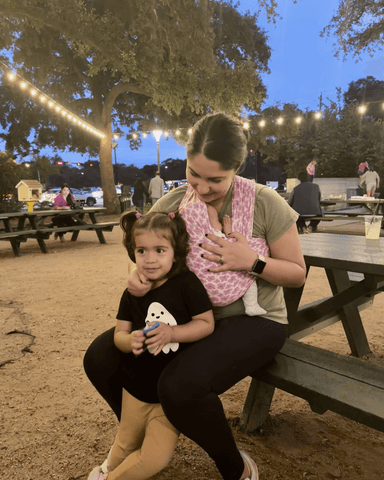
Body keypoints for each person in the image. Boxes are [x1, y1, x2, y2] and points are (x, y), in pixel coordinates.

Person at [84, 112, 306, 480]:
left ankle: (236, 468)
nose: (202, 188)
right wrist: (135, 278)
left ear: (238, 165)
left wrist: (251, 261)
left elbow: (297, 274)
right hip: (188, 319)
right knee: (101, 356)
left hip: (254, 320)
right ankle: (141, 433)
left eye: (215, 179)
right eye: (194, 173)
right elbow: (141, 253)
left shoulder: (265, 202)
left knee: (179, 389)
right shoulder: (172, 204)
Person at [87, 210, 214, 480]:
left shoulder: (186, 284)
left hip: (170, 395)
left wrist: (174, 333)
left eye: (159, 249)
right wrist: (128, 340)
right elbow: (119, 335)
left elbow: (206, 323)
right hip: (135, 389)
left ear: (175, 251)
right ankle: (107, 471)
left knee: (155, 458)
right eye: (142, 251)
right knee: (123, 445)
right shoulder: (132, 292)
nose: (150, 259)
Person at [206, 208, 267, 316]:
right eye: (216, 221)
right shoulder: (213, 236)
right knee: (248, 279)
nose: (220, 224)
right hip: (224, 277)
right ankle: (251, 306)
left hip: (207, 283)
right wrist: (229, 231)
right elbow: (235, 248)